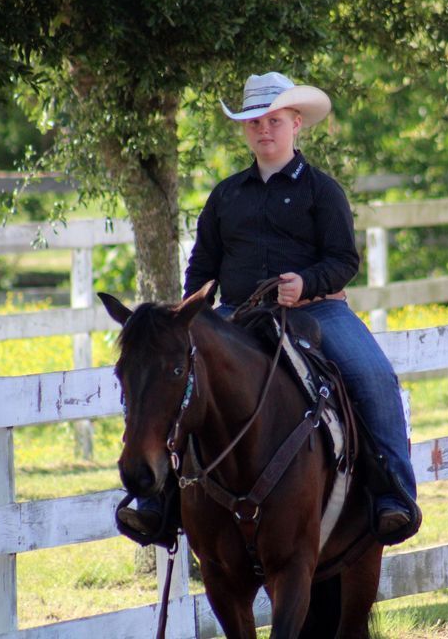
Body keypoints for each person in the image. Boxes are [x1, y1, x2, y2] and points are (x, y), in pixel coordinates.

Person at [117, 71, 420, 543]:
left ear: (296, 124)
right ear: (245, 130)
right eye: (255, 122)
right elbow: (203, 269)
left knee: (374, 376)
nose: (264, 130)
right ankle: (158, 503)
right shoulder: (225, 196)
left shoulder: (323, 191)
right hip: (237, 316)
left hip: (318, 311)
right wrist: (191, 319)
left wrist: (305, 283)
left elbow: (344, 260)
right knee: (173, 380)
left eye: (274, 120)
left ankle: (394, 494)